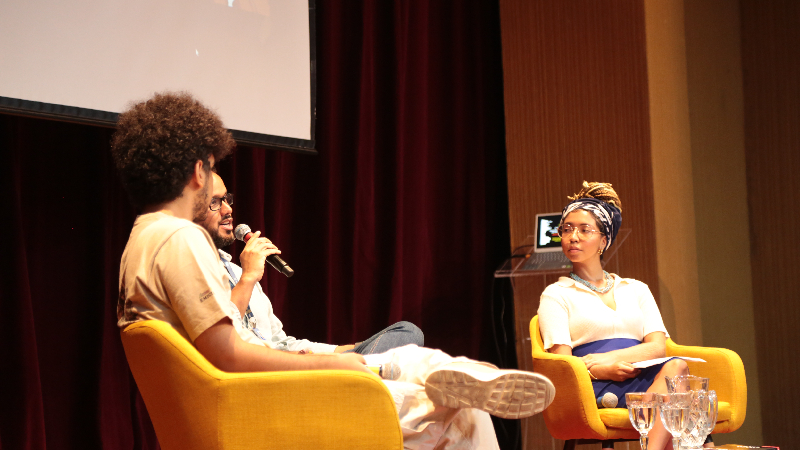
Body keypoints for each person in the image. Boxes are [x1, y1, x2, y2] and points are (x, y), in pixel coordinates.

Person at [113, 91, 555, 449]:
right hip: (257, 407)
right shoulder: (179, 237)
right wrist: (340, 367)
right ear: (197, 171)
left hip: (239, 403)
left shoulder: (143, 238)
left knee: (421, 368)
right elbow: (228, 354)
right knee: (460, 410)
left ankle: (450, 372)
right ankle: (449, 374)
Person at [537, 181, 714, 450]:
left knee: (676, 369)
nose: (573, 237)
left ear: (604, 241)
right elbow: (563, 364)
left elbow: (657, 346)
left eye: (585, 230)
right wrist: (599, 369)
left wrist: (607, 358)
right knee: (678, 399)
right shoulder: (556, 294)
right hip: (594, 384)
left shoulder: (636, 288)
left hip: (644, 376)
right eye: (567, 229)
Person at [195, 171, 424, 355]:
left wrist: (345, 351)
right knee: (399, 353)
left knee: (406, 333)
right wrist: (248, 277)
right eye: (214, 202)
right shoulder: (198, 270)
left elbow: (281, 342)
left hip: (293, 363)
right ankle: (365, 370)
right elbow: (222, 338)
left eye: (226, 199)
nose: (228, 209)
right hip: (270, 375)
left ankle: (362, 365)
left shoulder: (236, 270)